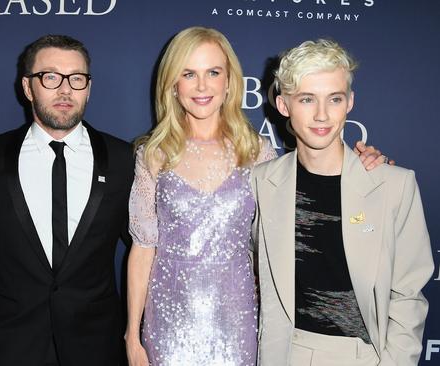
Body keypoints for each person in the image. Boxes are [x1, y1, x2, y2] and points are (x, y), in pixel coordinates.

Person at [125, 27, 385, 366]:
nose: (202, 86)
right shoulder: (153, 154)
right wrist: (132, 333)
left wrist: (363, 164)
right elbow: (144, 249)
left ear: (230, 81)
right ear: (173, 84)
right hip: (168, 318)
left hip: (238, 316)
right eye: (189, 74)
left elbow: (294, 215)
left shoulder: (257, 152)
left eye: (213, 72)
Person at [253, 39, 433, 366]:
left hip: (363, 357)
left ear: (349, 102)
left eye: (334, 99)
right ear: (283, 105)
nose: (322, 115)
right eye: (307, 99)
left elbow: (408, 297)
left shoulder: (394, 185)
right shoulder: (259, 182)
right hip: (284, 353)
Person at [0, 35, 134, 365]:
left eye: (77, 78)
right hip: (14, 345)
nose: (65, 90)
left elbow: (146, 247)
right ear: (28, 87)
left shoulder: (123, 159)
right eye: (51, 77)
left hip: (97, 346)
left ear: (89, 87)